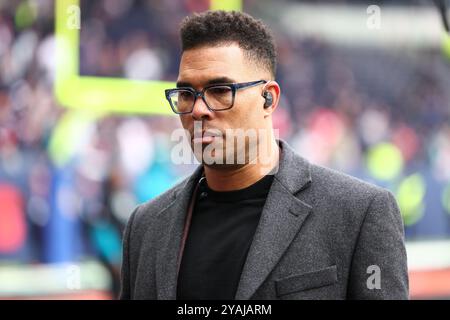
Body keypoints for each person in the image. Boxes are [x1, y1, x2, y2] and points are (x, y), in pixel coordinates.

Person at [119, 10, 408, 300]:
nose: (197, 109)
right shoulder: (145, 227)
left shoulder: (359, 213)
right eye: (185, 94)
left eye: (220, 90)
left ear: (269, 98)